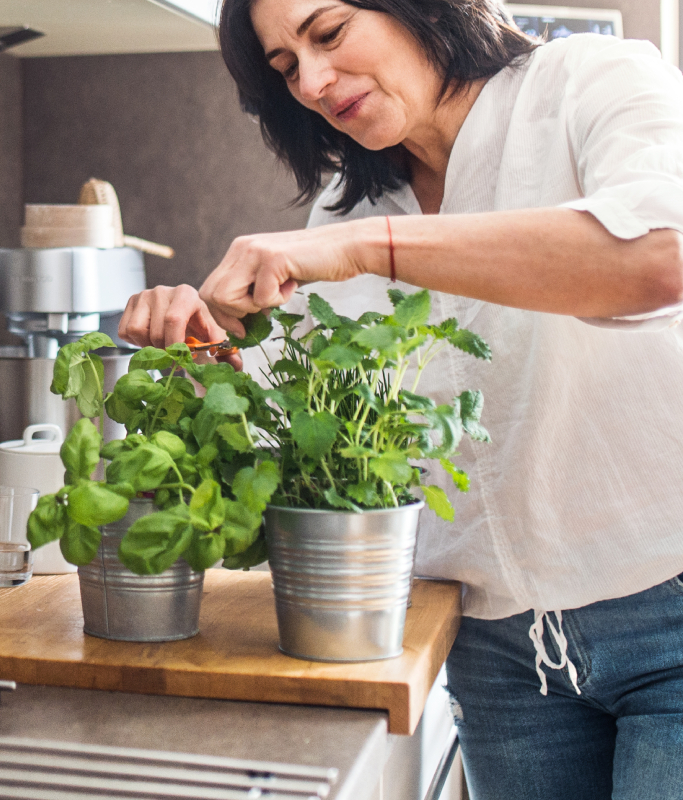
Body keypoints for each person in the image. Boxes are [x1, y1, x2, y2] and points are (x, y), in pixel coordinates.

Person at [119, 1, 683, 796]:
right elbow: (292, 416)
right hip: (494, 654)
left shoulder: (589, 82)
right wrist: (200, 346)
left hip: (668, 617)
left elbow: (660, 257)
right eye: (285, 69)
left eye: (329, 33)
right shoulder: (347, 208)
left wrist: (365, 251)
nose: (312, 82)